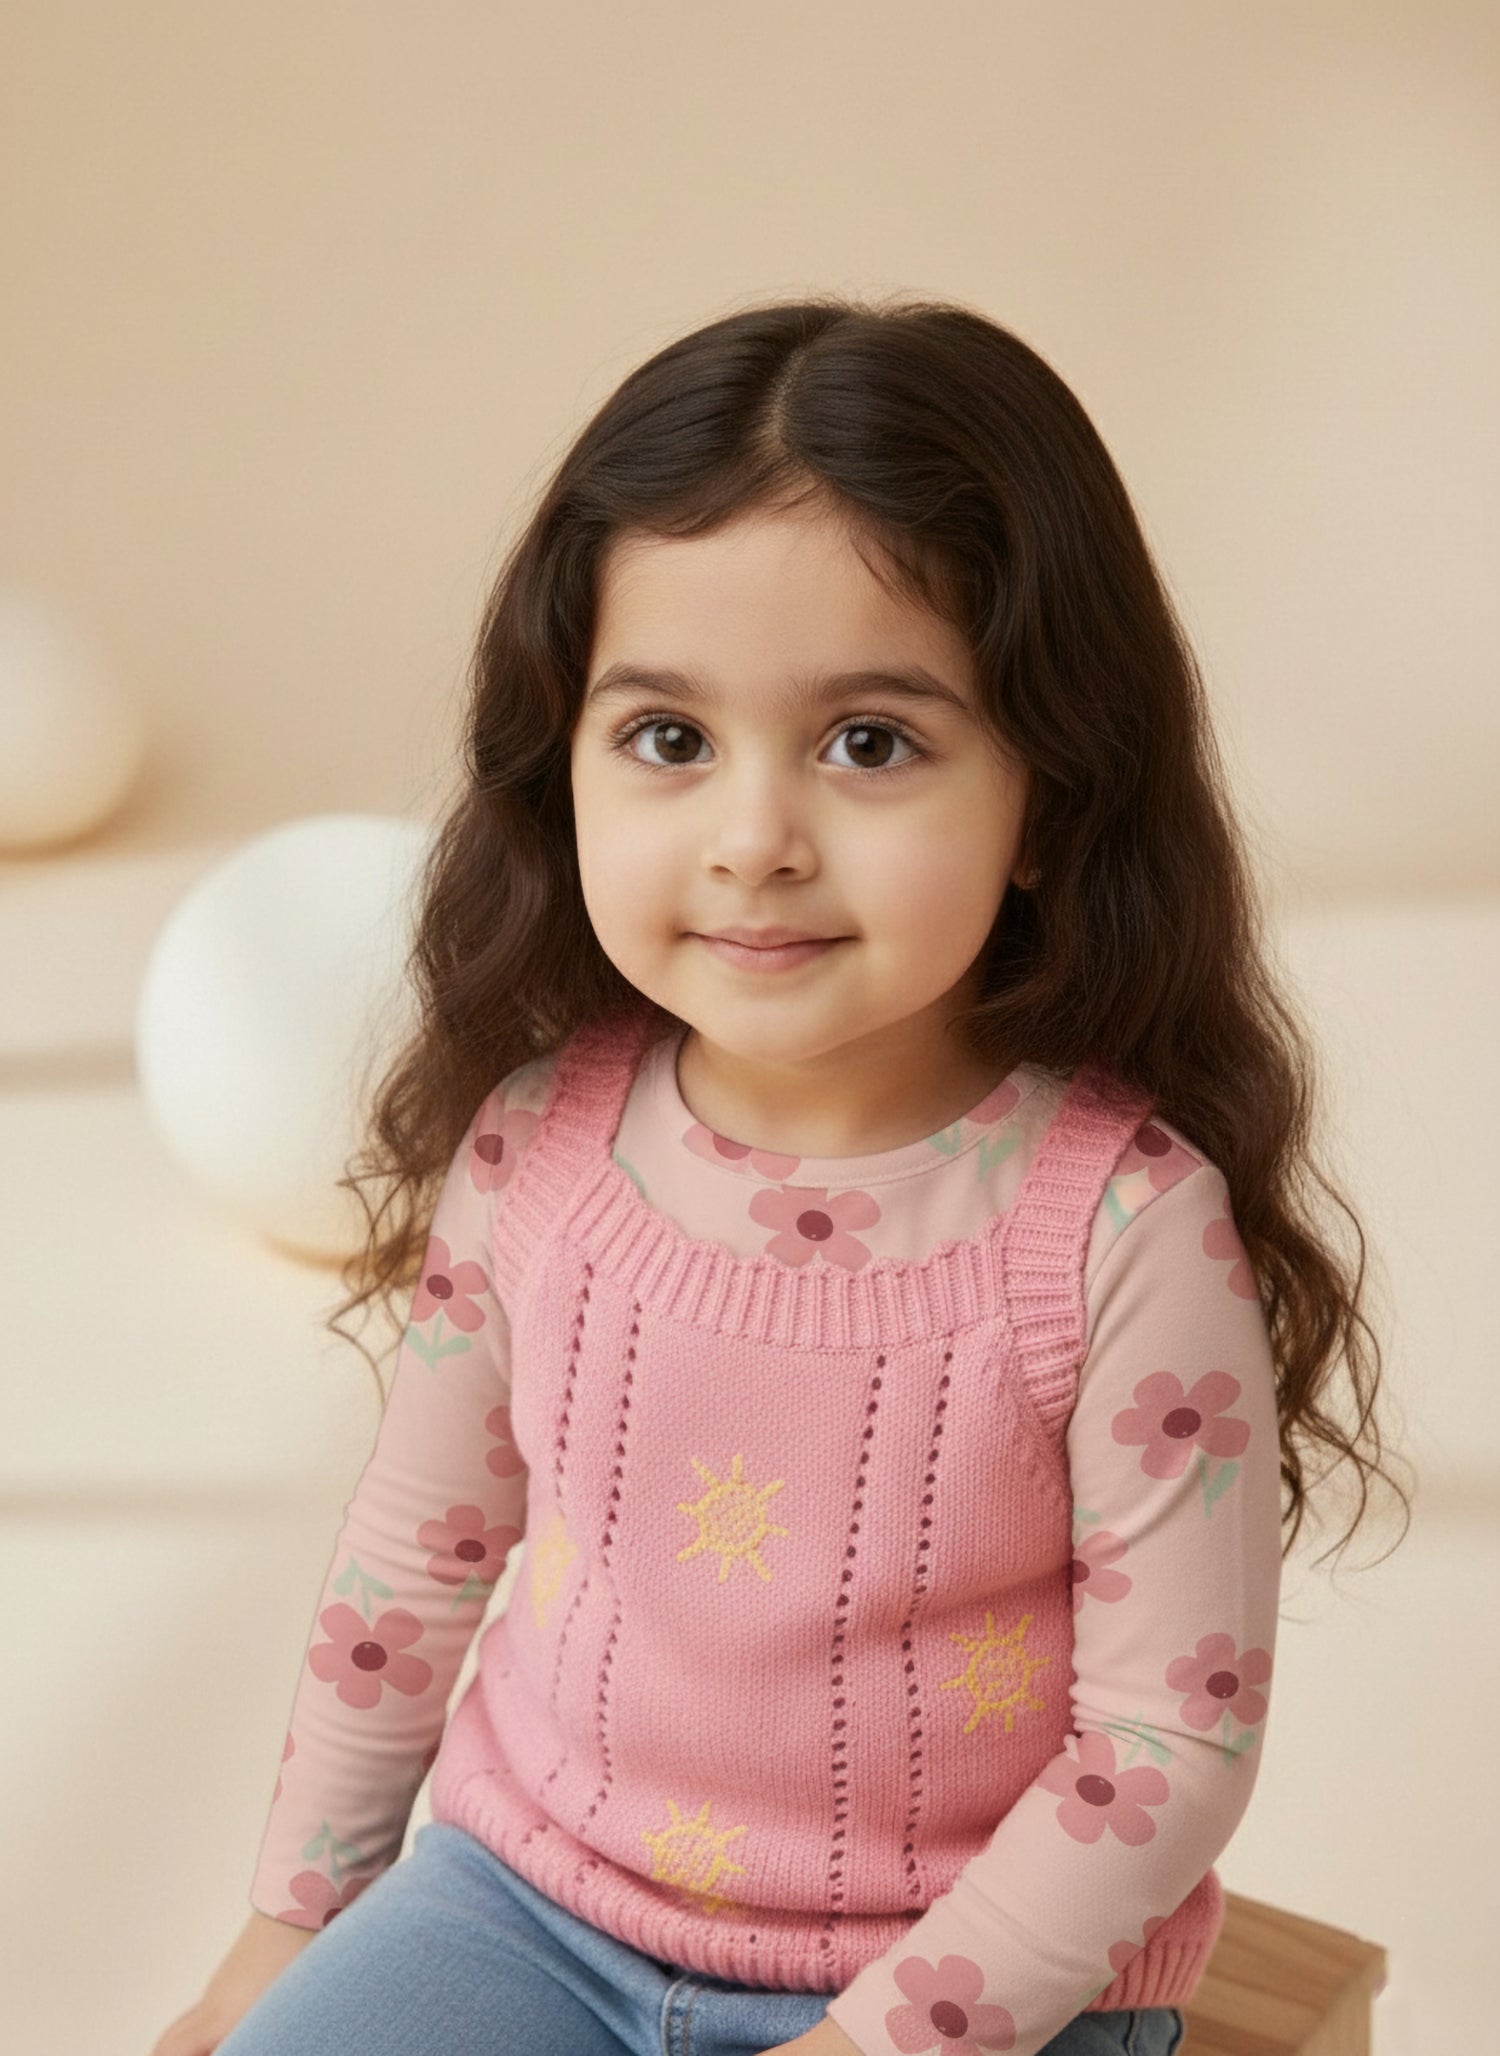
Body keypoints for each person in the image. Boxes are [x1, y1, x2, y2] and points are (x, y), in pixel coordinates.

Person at [152, 295, 1406, 2056]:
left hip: (981, 1992)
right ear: (564, 759)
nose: (754, 838)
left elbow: (1164, 1751)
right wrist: (290, 1928)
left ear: (1050, 796)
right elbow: (407, 1574)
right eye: (669, 738)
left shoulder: (1122, 1232)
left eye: (870, 742)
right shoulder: (535, 1150)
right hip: (528, 1910)